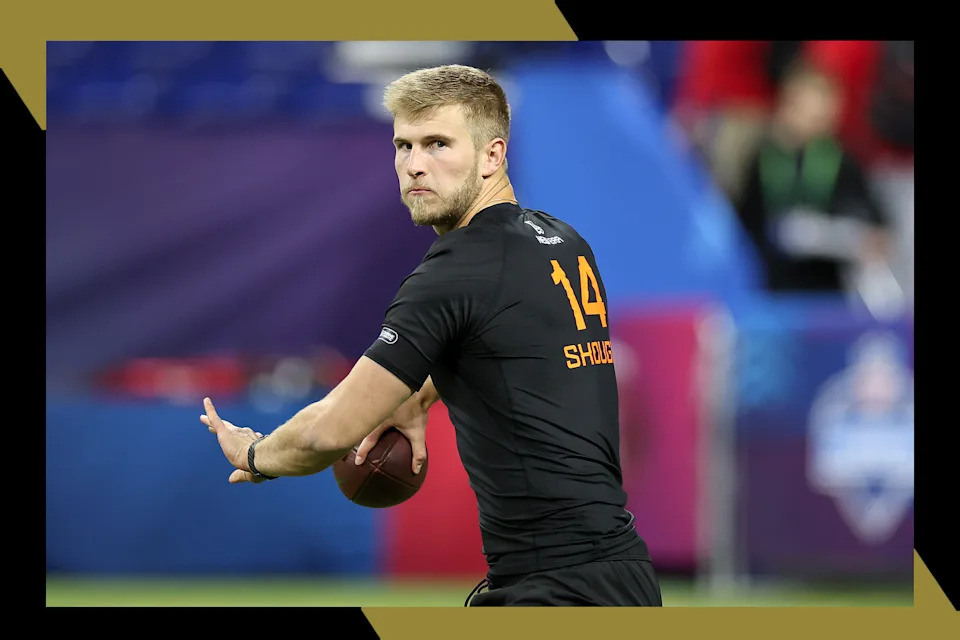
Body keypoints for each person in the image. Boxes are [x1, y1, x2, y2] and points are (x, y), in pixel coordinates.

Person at [202, 64, 662, 607]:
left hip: (555, 587)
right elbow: (521, 353)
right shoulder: (563, 243)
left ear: (493, 155)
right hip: (621, 574)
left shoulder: (455, 271)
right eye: (404, 145)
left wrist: (257, 453)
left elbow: (329, 432)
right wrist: (419, 394)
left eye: (438, 143)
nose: (415, 165)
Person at [734, 60, 897, 302]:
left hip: (827, 293)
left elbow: (878, 229)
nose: (819, 125)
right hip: (770, 289)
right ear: (787, 107)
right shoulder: (762, 159)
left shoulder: (842, 162)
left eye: (825, 117)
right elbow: (741, 222)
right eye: (811, 115)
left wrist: (832, 235)